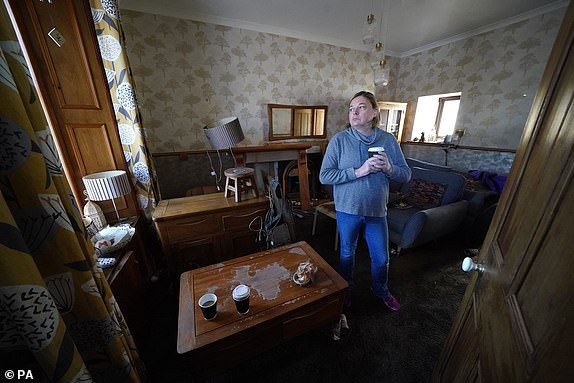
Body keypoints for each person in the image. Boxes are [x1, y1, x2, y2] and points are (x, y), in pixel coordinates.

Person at [319, 90, 411, 311]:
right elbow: (325, 176)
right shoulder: (338, 141)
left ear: (374, 113)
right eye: (351, 109)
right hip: (347, 210)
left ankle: (380, 289)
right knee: (347, 253)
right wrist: (359, 171)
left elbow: (406, 175)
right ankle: (346, 289)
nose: (354, 112)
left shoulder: (388, 140)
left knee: (381, 258)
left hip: (377, 212)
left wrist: (389, 168)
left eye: (361, 107)